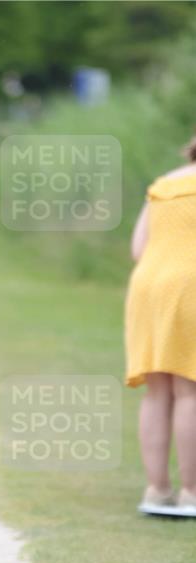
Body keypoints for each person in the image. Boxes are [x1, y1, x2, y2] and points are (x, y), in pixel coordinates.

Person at [125, 133, 196, 518]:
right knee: (190, 391)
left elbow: (139, 249)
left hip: (148, 287)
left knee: (157, 392)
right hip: (190, 286)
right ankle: (191, 492)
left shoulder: (163, 184)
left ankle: (157, 490)